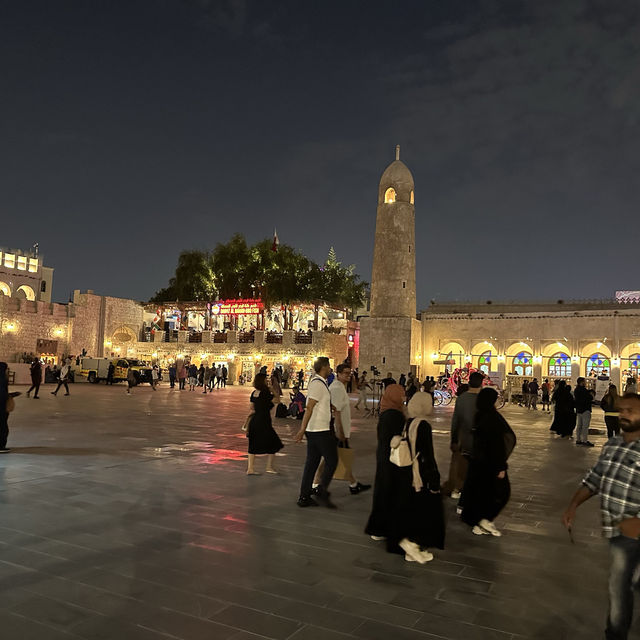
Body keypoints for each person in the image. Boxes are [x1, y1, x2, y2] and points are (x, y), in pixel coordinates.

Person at [563, 394, 640, 640]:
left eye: (632, 410)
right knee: (620, 585)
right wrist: (574, 504)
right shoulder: (613, 444)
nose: (625, 414)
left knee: (621, 585)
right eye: (622, 410)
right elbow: (595, 478)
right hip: (619, 533)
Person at [369, 390, 444, 563]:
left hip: (405, 471)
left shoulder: (408, 422)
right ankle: (411, 547)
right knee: (421, 510)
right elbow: (427, 454)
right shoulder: (423, 425)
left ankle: (409, 544)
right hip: (418, 473)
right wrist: (434, 479)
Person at [461, 387, 516, 537]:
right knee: (502, 493)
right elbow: (496, 444)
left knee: (481, 493)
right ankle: (485, 519)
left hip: (478, 463)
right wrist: (501, 467)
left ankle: (478, 522)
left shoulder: (480, 415)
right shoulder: (492, 418)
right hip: (490, 464)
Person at [313, 364, 371, 495]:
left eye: (349, 373)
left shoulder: (339, 387)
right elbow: (336, 411)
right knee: (332, 457)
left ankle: (353, 484)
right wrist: (340, 431)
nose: (348, 375)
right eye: (345, 373)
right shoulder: (337, 388)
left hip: (338, 430)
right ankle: (317, 483)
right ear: (338, 374)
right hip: (337, 431)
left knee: (340, 457)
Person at [365, 384, 408, 542]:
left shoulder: (385, 411)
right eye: (401, 395)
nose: (403, 398)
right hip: (392, 457)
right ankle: (381, 527)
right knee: (388, 490)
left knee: (383, 489)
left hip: (384, 455)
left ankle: (379, 527)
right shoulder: (394, 415)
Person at [295, 357, 337, 508]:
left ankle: (304, 496)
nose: (331, 369)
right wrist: (301, 429)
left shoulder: (319, 383)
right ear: (324, 367)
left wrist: (328, 406)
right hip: (319, 430)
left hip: (315, 430)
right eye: (329, 367)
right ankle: (321, 490)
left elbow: (317, 404)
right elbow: (310, 407)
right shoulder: (318, 384)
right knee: (332, 460)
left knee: (312, 463)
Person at [445, 371, 483, 502]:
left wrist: (454, 439)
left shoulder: (461, 399)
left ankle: (458, 489)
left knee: (461, 465)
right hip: (479, 440)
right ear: (481, 383)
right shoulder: (482, 399)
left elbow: (456, 421)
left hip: (464, 438)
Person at [246, 373, 283, 475]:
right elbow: (278, 400)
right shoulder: (266, 393)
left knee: (252, 444)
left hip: (254, 421)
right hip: (264, 421)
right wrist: (272, 390)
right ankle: (269, 467)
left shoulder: (254, 393)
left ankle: (250, 468)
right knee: (274, 443)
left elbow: (252, 407)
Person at [574, 377, 595, 447]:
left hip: (579, 409)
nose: (585, 382)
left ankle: (578, 439)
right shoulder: (583, 390)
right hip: (585, 409)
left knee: (579, 425)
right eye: (584, 381)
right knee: (585, 426)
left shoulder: (576, 390)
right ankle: (585, 440)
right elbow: (589, 398)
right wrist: (591, 394)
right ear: (581, 382)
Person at [0, 362, 10, 453]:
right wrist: (9, 396)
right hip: (1, 407)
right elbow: (2, 393)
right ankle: (1, 446)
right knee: (3, 427)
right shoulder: (2, 379)